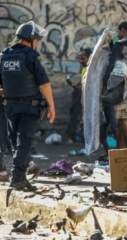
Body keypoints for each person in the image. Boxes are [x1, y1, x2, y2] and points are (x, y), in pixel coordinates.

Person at [0, 21, 56, 190]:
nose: (37, 43)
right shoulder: (30, 56)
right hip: (29, 107)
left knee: (15, 140)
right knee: (24, 141)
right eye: (37, 40)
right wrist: (52, 106)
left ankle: (18, 175)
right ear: (31, 39)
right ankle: (17, 177)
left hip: (10, 107)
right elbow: (44, 84)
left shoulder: (4, 56)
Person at [99, 21, 127, 157]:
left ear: (123, 30)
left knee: (121, 120)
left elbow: (118, 62)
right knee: (122, 120)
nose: (118, 34)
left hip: (124, 86)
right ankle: (123, 151)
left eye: (119, 31)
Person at [65, 48, 92, 144]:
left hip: (84, 96)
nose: (81, 61)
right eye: (80, 59)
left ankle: (74, 136)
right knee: (75, 116)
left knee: (79, 117)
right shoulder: (84, 68)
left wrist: (76, 86)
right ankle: (71, 136)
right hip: (79, 96)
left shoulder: (91, 69)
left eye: (83, 58)